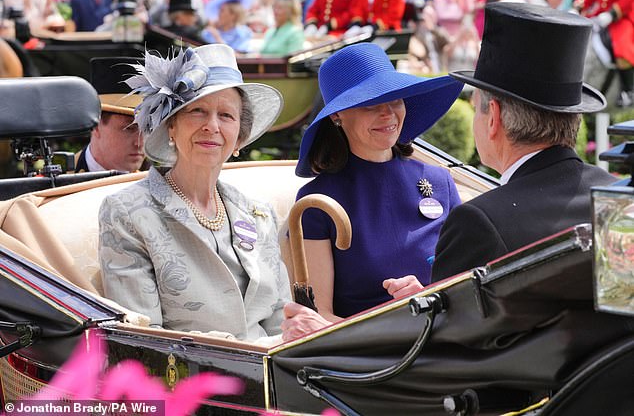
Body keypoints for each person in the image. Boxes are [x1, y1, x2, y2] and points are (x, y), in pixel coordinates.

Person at [98, 44, 291, 342]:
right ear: (171, 128)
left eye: (226, 115)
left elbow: (282, 319)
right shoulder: (126, 212)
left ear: (239, 137)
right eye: (197, 111)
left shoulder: (258, 213)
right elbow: (143, 338)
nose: (211, 126)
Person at [430, 2, 618, 283]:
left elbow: (446, 325)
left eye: (474, 103)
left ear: (493, 117)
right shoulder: (616, 196)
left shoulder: (477, 223)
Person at [294, 42, 464, 323]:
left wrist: (427, 296)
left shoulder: (440, 181)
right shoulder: (317, 201)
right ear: (337, 115)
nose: (388, 114)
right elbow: (319, 314)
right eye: (371, 104)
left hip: (443, 336)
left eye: (395, 100)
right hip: (366, 356)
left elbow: (468, 284)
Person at [76, 57, 148, 173]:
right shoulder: (52, 185)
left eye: (147, 129)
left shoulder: (155, 185)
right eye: (129, 128)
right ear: (95, 126)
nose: (140, 143)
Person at [573, 0, 634, 107]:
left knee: (622, 49)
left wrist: (612, 14)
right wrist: (578, 7)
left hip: (622, 18)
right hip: (600, 16)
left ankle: (628, 91)